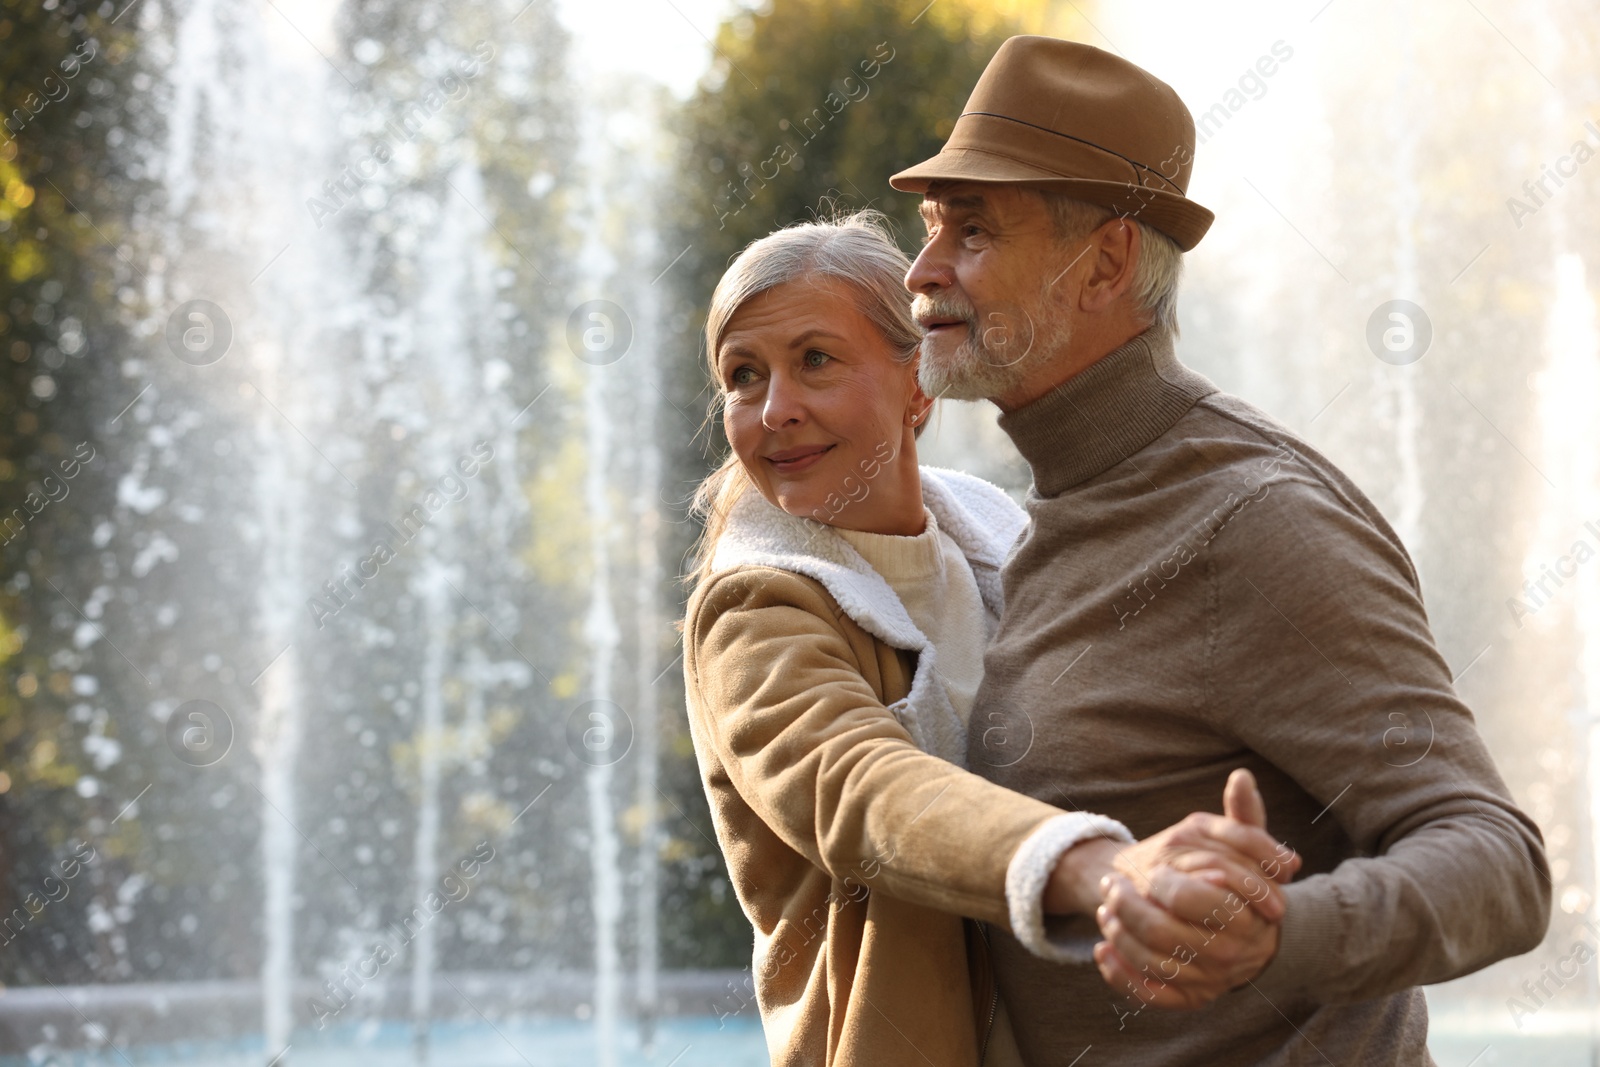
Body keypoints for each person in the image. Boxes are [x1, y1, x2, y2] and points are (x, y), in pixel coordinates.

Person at [890, 34, 1552, 1063]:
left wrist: (1277, 931)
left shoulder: (1253, 518)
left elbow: (1497, 863)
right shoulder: (1030, 509)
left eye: (971, 231)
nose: (920, 270)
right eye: (930, 227)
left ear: (1104, 260)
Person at [681, 212, 1299, 1067]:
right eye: (743, 377)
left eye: (814, 360)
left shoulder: (1001, 539)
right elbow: (863, 792)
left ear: (918, 387)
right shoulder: (753, 609)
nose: (776, 409)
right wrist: (1096, 869)